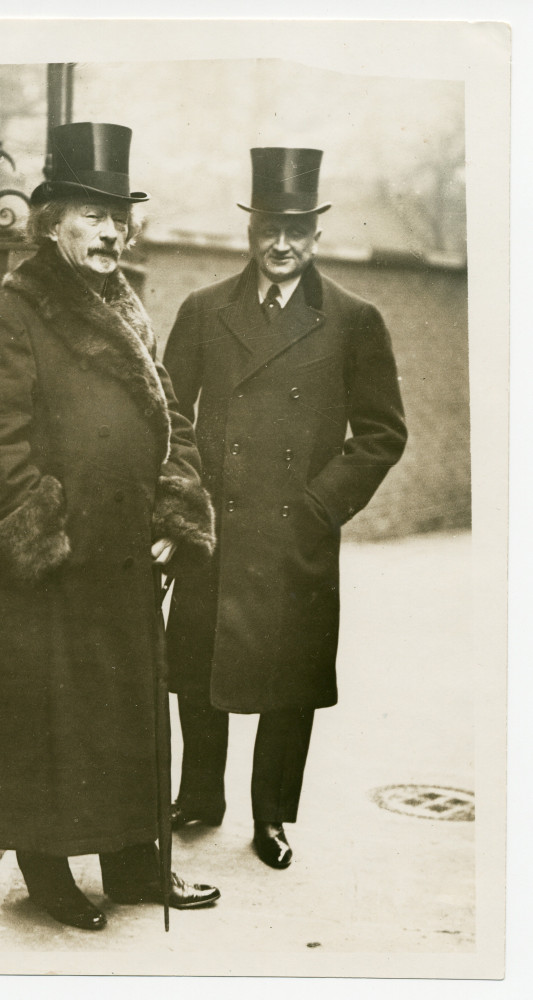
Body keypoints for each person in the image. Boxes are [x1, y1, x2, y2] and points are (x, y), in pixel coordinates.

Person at [0, 122, 220, 931]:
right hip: (52, 570)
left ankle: (135, 867)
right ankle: (47, 874)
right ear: (50, 224)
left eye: (120, 219)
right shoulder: (10, 314)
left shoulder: (123, 310)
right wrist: (46, 540)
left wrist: (175, 508)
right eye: (93, 216)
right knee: (51, 724)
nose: (112, 232)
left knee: (123, 717)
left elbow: (172, 420)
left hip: (127, 558)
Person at [164, 147, 408, 869]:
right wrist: (183, 505)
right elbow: (170, 416)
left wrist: (317, 507)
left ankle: (271, 817)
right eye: (269, 227)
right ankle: (199, 795)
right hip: (215, 527)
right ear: (249, 229)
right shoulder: (203, 310)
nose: (280, 244)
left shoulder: (353, 319)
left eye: (295, 231)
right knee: (198, 670)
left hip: (294, 532)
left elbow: (381, 433)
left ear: (316, 236)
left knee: (285, 684)